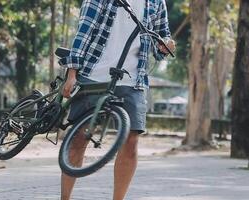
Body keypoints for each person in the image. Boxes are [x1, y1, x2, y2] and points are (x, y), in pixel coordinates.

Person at [58, 0, 175, 199]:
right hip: (93, 74)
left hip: (133, 80)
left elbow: (161, 39)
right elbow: (84, 31)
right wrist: (72, 74)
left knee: (131, 143)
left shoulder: (156, 2)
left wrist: (166, 45)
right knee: (79, 138)